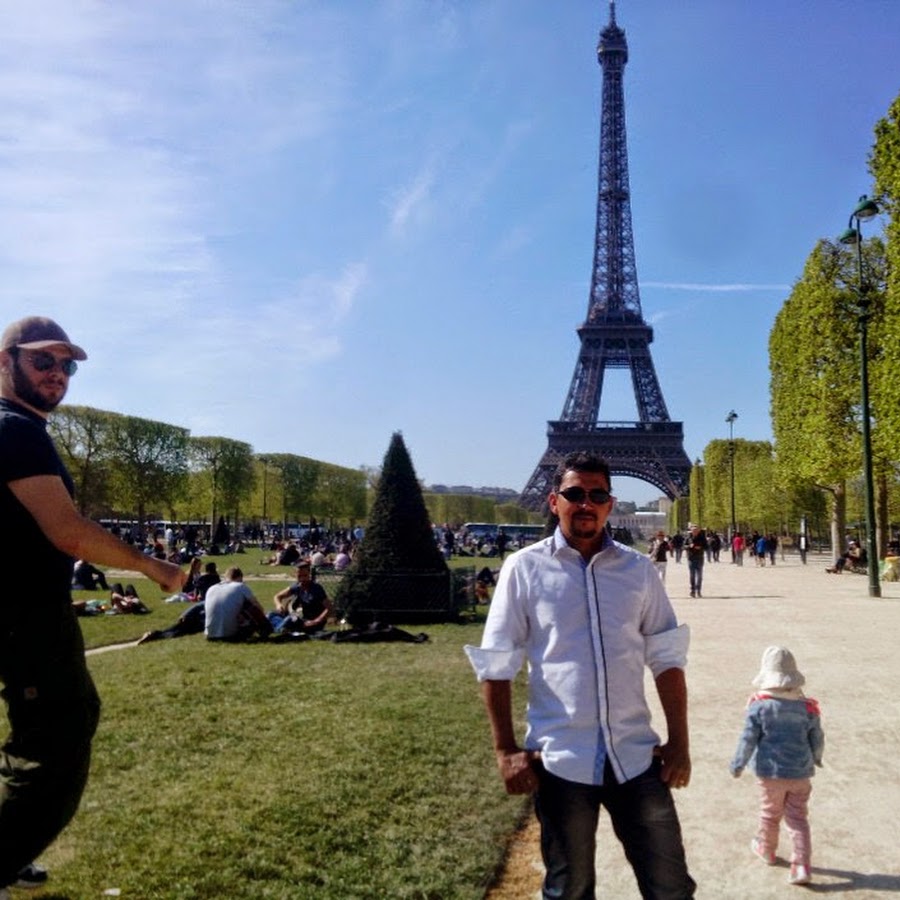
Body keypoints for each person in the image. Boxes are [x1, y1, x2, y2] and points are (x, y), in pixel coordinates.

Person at [0, 316, 184, 895]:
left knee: (44, 733)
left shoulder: (18, 428)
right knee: (58, 742)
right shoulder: (17, 431)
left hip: (21, 609)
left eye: (66, 366)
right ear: (4, 361)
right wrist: (153, 567)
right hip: (25, 613)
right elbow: (69, 532)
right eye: (42, 360)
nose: (58, 373)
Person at [464, 451, 694, 900]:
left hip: (635, 755)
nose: (586, 503)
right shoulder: (523, 568)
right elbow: (497, 662)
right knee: (569, 891)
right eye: (574, 493)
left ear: (610, 504)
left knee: (671, 889)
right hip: (560, 759)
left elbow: (667, 658)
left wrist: (680, 743)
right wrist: (505, 749)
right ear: (554, 501)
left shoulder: (639, 570)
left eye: (597, 495)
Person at [730, 646, 824, 886]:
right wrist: (816, 758)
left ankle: (767, 849)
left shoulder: (759, 706)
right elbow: (817, 737)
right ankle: (801, 866)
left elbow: (748, 738)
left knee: (770, 814)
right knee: (798, 818)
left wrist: (738, 763)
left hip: (770, 774)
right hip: (800, 773)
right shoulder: (807, 708)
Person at [204, 566, 272, 642]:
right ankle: (265, 632)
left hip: (210, 634)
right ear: (240, 577)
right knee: (250, 608)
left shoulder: (212, 588)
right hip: (230, 635)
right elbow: (258, 608)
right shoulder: (240, 586)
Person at [268, 561, 331, 635]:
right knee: (271, 614)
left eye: (305, 576)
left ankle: (276, 629)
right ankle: (279, 628)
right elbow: (278, 596)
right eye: (299, 576)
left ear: (309, 574)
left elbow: (329, 608)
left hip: (313, 623)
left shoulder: (316, 589)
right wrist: (278, 605)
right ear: (295, 575)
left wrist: (316, 621)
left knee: (290, 619)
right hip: (303, 620)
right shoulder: (297, 586)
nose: (302, 579)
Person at [686, 523, 707, 598]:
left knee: (699, 576)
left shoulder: (702, 538)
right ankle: (693, 590)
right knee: (692, 575)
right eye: (693, 530)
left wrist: (700, 547)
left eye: (696, 530)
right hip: (691, 558)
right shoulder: (688, 538)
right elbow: (684, 546)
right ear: (691, 531)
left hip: (699, 558)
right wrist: (689, 546)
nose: (694, 532)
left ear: (698, 531)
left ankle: (699, 590)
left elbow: (706, 546)